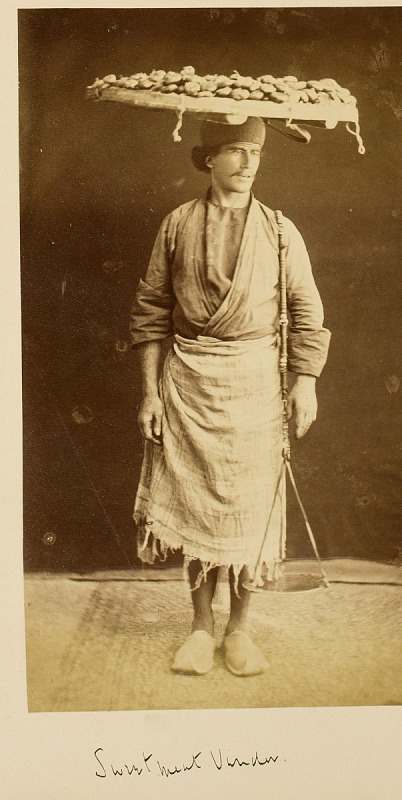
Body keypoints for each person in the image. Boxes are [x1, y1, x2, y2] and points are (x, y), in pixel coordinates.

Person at [130, 116, 331, 677]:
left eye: (255, 153)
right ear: (209, 159)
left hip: (256, 382)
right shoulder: (176, 224)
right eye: (235, 152)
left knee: (249, 511)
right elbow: (150, 312)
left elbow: (308, 312)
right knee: (194, 504)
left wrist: (305, 383)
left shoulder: (281, 232)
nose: (246, 164)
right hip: (188, 381)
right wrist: (149, 394)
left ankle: (239, 630)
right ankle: (201, 627)